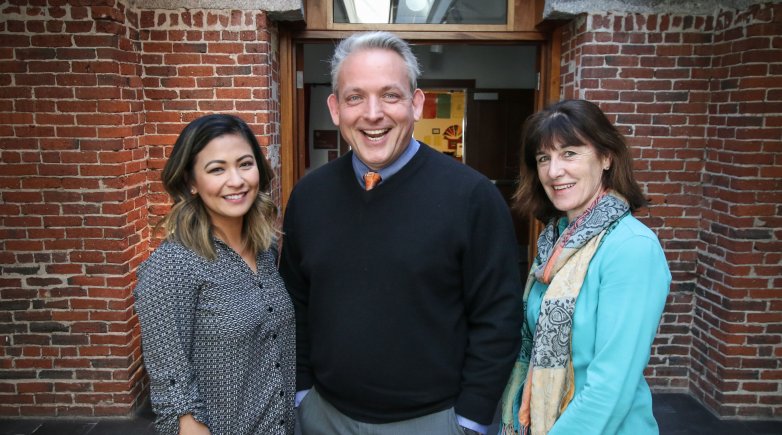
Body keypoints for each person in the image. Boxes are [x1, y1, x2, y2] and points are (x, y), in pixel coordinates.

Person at [279, 31, 523, 435]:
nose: (373, 114)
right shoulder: (309, 196)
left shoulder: (472, 196)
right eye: (355, 97)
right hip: (325, 416)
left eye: (390, 95)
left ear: (416, 104)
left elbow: (498, 316)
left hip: (433, 421)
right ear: (336, 108)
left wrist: (472, 419)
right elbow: (296, 307)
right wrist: (303, 395)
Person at [498, 99, 671, 435]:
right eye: (543, 158)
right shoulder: (557, 243)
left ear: (606, 157)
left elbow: (611, 387)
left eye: (569, 153)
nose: (553, 171)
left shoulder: (631, 248)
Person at [133, 114, 295, 435]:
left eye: (245, 164)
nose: (235, 180)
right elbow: (173, 385)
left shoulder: (266, 250)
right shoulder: (173, 264)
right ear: (191, 182)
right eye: (217, 169)